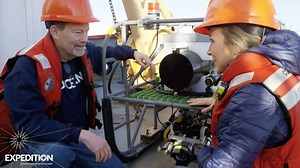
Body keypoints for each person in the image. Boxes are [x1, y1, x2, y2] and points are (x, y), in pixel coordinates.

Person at [3, 0, 150, 167]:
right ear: (55, 32)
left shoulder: (82, 51)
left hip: (72, 137)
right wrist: (83, 135)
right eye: (78, 32)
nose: (84, 39)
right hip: (38, 141)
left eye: (87, 31)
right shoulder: (26, 68)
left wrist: (133, 52)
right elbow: (30, 125)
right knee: (58, 155)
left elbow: (107, 51)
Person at [191, 0, 300, 167]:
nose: (208, 51)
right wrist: (222, 100)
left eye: (212, 40)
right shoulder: (276, 69)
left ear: (235, 40)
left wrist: (197, 150)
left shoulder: (255, 95)